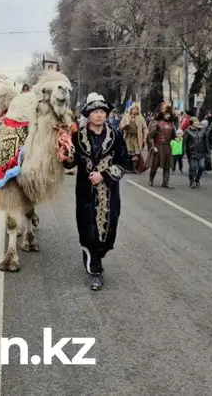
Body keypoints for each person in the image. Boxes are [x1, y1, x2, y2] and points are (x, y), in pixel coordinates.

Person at [62, 93, 128, 291]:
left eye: (102, 112)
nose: (99, 115)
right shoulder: (77, 136)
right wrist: (65, 152)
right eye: (95, 112)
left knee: (108, 233)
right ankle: (96, 271)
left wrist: (104, 175)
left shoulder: (115, 136)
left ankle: (98, 254)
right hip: (85, 194)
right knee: (88, 232)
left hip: (108, 194)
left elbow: (123, 163)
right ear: (88, 115)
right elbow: (71, 162)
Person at [147, 111, 175, 188]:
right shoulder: (157, 123)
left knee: (167, 166)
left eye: (169, 114)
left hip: (167, 147)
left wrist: (175, 131)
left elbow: (173, 136)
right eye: (166, 114)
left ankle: (165, 183)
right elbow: (150, 136)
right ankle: (151, 179)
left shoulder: (170, 124)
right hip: (158, 146)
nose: (168, 115)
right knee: (155, 165)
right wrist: (153, 146)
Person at [183, 117, 208, 188]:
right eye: (195, 121)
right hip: (192, 153)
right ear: (191, 123)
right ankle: (192, 181)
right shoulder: (187, 131)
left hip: (201, 152)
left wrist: (208, 151)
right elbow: (184, 143)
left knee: (201, 167)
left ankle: (197, 179)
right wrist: (184, 153)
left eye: (198, 121)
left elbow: (206, 141)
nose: (198, 123)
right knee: (193, 168)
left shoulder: (203, 130)